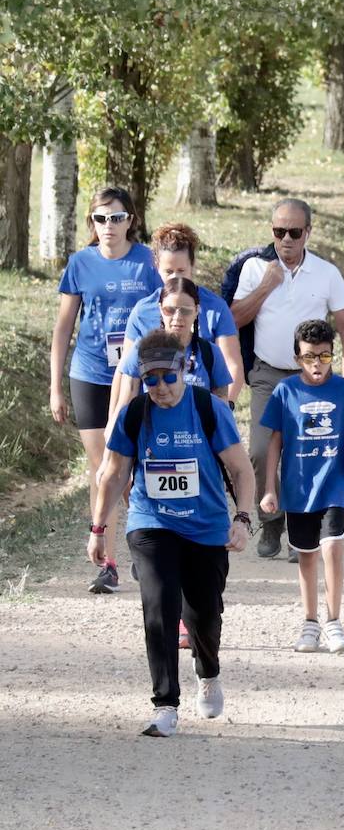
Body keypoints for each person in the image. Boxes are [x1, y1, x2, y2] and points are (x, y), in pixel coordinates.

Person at [89, 329, 254, 736]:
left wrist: (243, 519)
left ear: (184, 370)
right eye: (150, 380)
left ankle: (208, 671)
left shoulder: (208, 408)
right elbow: (111, 476)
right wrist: (98, 529)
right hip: (152, 522)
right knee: (160, 607)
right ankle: (165, 704)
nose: (160, 388)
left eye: (168, 378)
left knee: (203, 615)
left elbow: (240, 470)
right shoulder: (134, 414)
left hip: (206, 527)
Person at [50, 185, 161, 594]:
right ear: (91, 223)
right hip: (91, 373)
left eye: (116, 217)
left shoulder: (147, 262)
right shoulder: (80, 262)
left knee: (136, 465)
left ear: (130, 219)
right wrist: (55, 387)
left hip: (138, 376)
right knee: (105, 468)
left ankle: (146, 551)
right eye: (101, 218)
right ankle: (109, 562)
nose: (109, 226)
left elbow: (165, 311)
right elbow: (64, 328)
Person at [231, 198, 344, 560]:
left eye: (294, 232)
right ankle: (271, 522)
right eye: (278, 231)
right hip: (268, 373)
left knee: (306, 453)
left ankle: (304, 531)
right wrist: (267, 285)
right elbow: (234, 318)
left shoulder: (326, 273)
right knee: (260, 450)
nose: (285, 239)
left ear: (308, 233)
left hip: (312, 376)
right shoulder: (254, 268)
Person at [260, 319, 344, 653]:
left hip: (334, 485)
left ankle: (334, 621)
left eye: (324, 356)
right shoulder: (286, 392)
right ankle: (310, 623)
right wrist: (270, 488)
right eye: (310, 357)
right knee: (306, 556)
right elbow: (275, 443)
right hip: (297, 489)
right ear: (297, 358)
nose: (317, 364)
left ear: (333, 356)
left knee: (332, 548)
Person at [117, 222, 244, 408]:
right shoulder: (142, 311)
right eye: (168, 272)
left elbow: (232, 366)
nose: (175, 278)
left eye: (181, 271)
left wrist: (221, 411)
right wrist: (115, 421)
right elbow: (126, 374)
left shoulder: (216, 308)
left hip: (201, 414)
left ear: (193, 265)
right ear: (156, 267)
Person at [111, 278, 233, 418]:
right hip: (151, 433)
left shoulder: (210, 352)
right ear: (160, 309)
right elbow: (126, 403)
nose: (177, 317)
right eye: (170, 310)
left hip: (198, 436)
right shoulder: (141, 350)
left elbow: (221, 405)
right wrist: (113, 433)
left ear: (197, 311)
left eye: (185, 311)